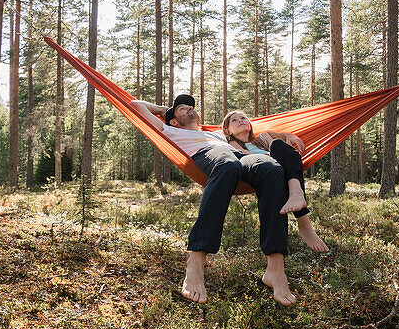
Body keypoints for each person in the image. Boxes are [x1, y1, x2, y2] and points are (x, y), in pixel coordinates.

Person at [129, 92, 307, 306]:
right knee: (228, 165)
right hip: (210, 155)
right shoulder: (169, 130)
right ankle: (196, 261)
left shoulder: (216, 133)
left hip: (241, 156)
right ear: (174, 120)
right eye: (183, 109)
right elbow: (135, 104)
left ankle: (275, 269)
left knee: (272, 169)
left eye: (191, 107)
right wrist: (163, 111)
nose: (190, 109)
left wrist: (285, 136)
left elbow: (256, 135)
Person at [222, 110, 328, 252]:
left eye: (243, 118)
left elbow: (285, 138)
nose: (240, 120)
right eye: (234, 120)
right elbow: (248, 156)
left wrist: (290, 136)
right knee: (279, 155)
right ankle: (304, 224)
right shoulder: (233, 144)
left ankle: (296, 194)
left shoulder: (264, 136)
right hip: (260, 170)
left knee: (278, 144)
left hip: (282, 168)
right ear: (228, 131)